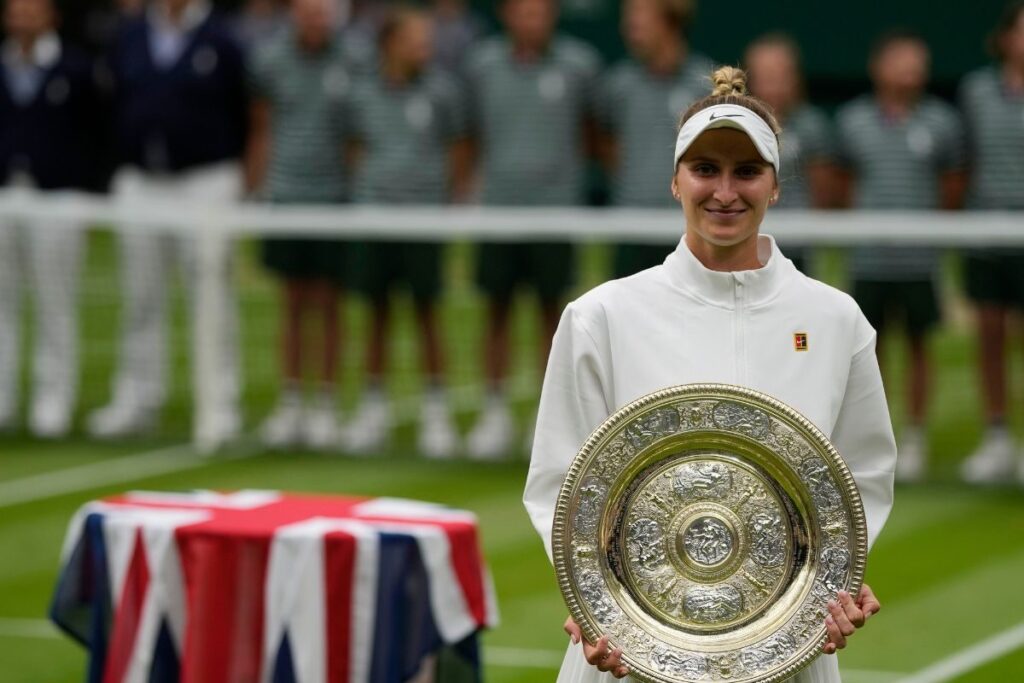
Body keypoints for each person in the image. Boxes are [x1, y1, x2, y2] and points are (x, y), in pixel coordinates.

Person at [524, 66, 896, 681]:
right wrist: (597, 603)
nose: (725, 192)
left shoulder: (835, 319)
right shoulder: (600, 316)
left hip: (784, 648)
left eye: (747, 171)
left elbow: (860, 476)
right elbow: (562, 483)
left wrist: (837, 583)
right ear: (676, 181)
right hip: (630, 649)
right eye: (705, 169)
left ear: (775, 186)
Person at [87, 0, 247, 442]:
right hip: (141, 179)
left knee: (211, 295)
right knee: (140, 296)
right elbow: (111, 105)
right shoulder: (130, 35)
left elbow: (245, 109)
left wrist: (242, 176)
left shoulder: (222, 39)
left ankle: (220, 401)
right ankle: (138, 398)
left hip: (205, 179)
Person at [463, 0, 600, 460]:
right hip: (497, 212)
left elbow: (591, 134)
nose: (532, 20)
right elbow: (470, 135)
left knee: (551, 317)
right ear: (507, 15)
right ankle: (495, 413)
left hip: (556, 215)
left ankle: (547, 421)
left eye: (540, 12)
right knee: (496, 311)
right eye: (524, 11)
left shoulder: (580, 65)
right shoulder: (481, 66)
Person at [835, 31, 965, 483]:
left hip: (918, 262)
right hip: (868, 261)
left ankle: (914, 438)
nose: (912, 72)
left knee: (918, 345)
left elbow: (952, 186)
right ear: (879, 67)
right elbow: (843, 185)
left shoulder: (942, 122)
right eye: (903, 62)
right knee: (868, 353)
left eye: (918, 63)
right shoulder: (852, 121)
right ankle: (874, 438)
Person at [341, 6, 467, 458]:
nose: (424, 48)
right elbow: (354, 148)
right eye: (416, 39)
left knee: (427, 314)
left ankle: (436, 413)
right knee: (375, 314)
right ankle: (372, 409)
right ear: (390, 44)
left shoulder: (442, 92)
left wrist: (443, 201)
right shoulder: (361, 94)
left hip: (423, 222)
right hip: (374, 220)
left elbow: (458, 150)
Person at [246, 0, 352, 450]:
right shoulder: (271, 61)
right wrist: (254, 186)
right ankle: (290, 402)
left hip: (333, 199)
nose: (315, 20)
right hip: (286, 197)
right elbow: (262, 126)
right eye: (307, 12)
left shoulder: (351, 60)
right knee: (291, 303)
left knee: (328, 304)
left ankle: (325, 404)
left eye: (321, 13)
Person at [0, 0, 105, 437]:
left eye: (32, 10)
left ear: (51, 17)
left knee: (54, 300)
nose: (23, 19)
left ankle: (53, 399)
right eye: (16, 11)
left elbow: (96, 135)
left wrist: (90, 196)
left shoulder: (76, 70)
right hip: (6, 194)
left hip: (58, 196)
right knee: (2, 301)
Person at [597, 0, 713, 279]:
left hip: (689, 227)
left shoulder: (705, 85)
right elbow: (607, 145)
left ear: (670, 22)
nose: (629, 28)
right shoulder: (618, 84)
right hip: (629, 226)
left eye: (639, 19)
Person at [958, 1, 1024, 485]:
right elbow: (966, 161)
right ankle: (997, 437)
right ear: (1004, 39)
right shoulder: (976, 92)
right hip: (985, 232)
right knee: (990, 335)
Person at [745, 32, 836, 274]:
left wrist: (814, 234)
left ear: (796, 78)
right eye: (766, 77)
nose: (774, 86)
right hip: (747, 242)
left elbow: (823, 194)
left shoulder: (812, 125)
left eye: (781, 76)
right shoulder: (739, 124)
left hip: (798, 244)